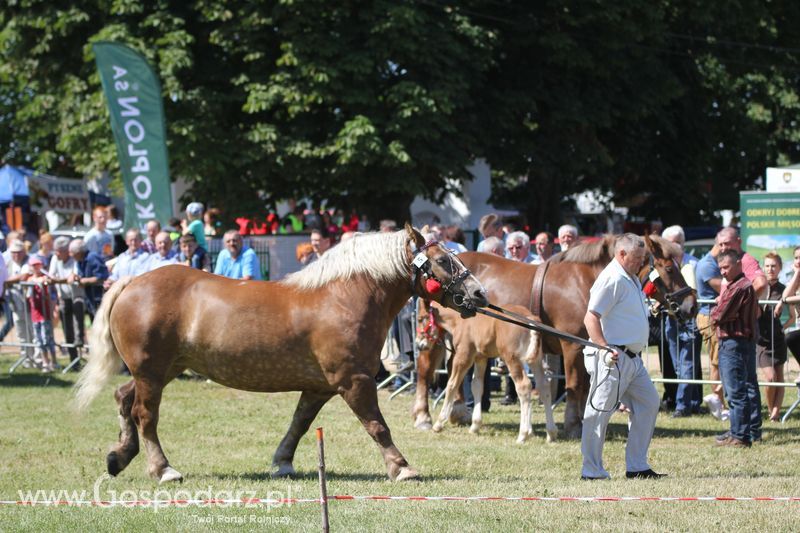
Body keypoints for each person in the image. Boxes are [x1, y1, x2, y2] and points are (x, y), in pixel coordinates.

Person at [581, 233, 664, 480]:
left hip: (632, 359)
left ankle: (637, 466)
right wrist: (604, 347)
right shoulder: (612, 278)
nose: (641, 262)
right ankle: (591, 470)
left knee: (649, 403)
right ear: (622, 254)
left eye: (643, 258)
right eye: (637, 258)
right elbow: (591, 316)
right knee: (598, 413)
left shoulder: (630, 277)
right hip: (612, 357)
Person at [710, 249, 762, 447]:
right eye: (721, 268)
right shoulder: (739, 286)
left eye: (726, 267)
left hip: (734, 343)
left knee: (736, 391)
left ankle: (740, 435)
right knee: (744, 389)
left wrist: (716, 310)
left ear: (739, 264)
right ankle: (740, 431)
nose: (723, 272)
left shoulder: (739, 287)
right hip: (741, 343)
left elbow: (719, 315)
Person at [661, 225, 702, 417]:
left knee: (686, 364)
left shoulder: (692, 264)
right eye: (670, 242)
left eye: (677, 242)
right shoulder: (662, 267)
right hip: (670, 319)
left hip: (688, 320)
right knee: (679, 366)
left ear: (683, 243)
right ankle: (692, 402)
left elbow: (694, 293)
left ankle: (682, 406)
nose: (674, 245)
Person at [695, 240, 727, 420]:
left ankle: (719, 400)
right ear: (721, 244)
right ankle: (717, 403)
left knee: (719, 360)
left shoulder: (711, 262)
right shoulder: (707, 265)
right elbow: (724, 287)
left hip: (714, 316)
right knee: (716, 362)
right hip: (709, 316)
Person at [757, 252, 787, 422]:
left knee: (779, 376)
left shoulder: (784, 290)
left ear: (780, 268)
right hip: (762, 340)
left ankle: (775, 414)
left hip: (779, 338)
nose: (770, 269)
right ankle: (770, 409)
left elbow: (791, 314)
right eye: (767, 265)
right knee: (770, 377)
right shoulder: (759, 287)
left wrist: (785, 327)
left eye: (774, 266)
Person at [49, 236, 85, 369]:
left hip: (77, 297)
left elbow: (73, 277)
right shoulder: (55, 259)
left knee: (77, 330)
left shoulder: (74, 259)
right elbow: (52, 276)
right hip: (63, 297)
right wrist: (58, 280)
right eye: (56, 251)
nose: (56, 253)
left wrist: (58, 280)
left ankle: (83, 354)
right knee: (67, 330)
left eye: (59, 251)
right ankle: (73, 360)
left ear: (65, 251)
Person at [5, 240, 34, 364]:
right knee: (21, 331)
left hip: (30, 303)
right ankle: (26, 357)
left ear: (23, 252)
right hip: (15, 302)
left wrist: (7, 281)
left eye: (18, 252)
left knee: (32, 331)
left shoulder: (29, 260)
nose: (16, 255)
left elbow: (24, 276)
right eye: (13, 253)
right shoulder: (9, 262)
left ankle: (36, 358)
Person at [27, 256, 56, 372]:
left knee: (47, 339)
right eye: (34, 265)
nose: (37, 267)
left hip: (45, 314)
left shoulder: (45, 278)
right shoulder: (29, 279)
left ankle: (54, 361)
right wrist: (35, 281)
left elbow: (51, 279)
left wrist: (44, 278)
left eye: (38, 265)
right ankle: (45, 362)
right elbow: (28, 286)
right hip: (35, 315)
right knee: (39, 340)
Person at [68, 238, 109, 320]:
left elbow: (103, 277)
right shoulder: (80, 261)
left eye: (72, 252)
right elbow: (82, 277)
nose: (70, 255)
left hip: (99, 298)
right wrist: (77, 278)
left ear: (79, 252)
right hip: (90, 299)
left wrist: (84, 281)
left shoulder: (93, 257)